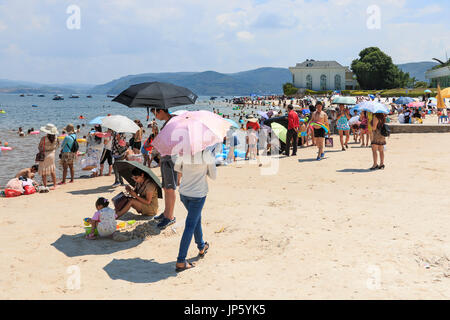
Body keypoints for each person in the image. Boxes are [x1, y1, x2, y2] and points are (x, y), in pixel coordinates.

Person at [173, 149, 216, 272]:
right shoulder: (206, 153)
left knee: (196, 219)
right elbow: (213, 176)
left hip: (184, 193)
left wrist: (190, 170)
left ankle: (201, 246)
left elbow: (177, 168)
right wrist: (203, 170)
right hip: (198, 194)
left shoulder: (183, 150)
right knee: (191, 224)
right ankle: (181, 260)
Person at [151, 108, 177, 229]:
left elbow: (174, 141)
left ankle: (170, 217)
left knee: (170, 188)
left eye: (156, 113)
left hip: (171, 159)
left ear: (161, 110)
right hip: (166, 158)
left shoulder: (173, 122)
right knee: (166, 187)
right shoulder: (168, 123)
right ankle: (166, 213)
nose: (156, 116)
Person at [37, 124, 59, 190]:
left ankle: (45, 185)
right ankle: (55, 185)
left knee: (43, 171)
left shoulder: (43, 138)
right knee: (52, 170)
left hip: (45, 154)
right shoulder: (56, 138)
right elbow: (57, 146)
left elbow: (39, 147)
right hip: (52, 154)